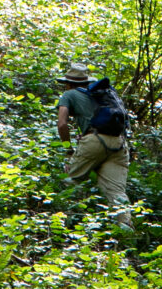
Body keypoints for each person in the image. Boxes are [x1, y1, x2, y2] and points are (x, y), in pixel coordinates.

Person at [56, 62, 133, 223]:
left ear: (68, 83)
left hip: (94, 141)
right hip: (119, 143)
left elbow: (62, 124)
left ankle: (62, 224)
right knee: (116, 192)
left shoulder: (69, 95)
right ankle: (126, 231)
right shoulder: (103, 94)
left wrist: (68, 149)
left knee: (70, 179)